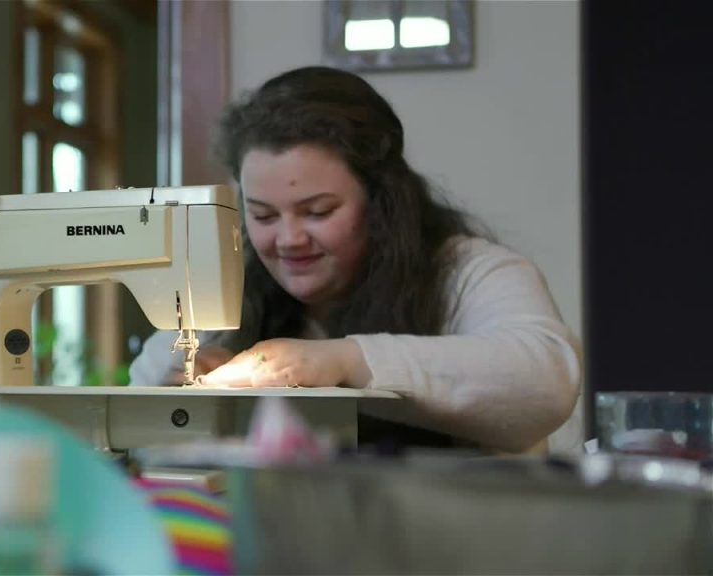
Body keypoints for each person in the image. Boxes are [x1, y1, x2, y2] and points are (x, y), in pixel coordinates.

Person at [129, 66, 581, 453]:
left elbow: (545, 381)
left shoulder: (470, 272)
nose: (288, 239)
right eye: (263, 214)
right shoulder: (231, 291)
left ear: (380, 201)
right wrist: (175, 377)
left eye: (318, 211)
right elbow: (140, 395)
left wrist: (342, 360)